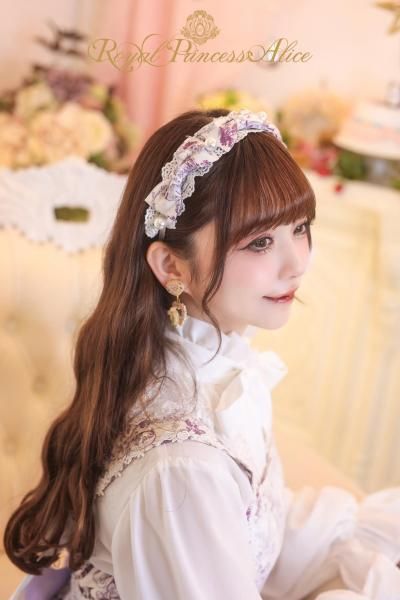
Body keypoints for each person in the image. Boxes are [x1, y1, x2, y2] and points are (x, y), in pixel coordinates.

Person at [4, 108, 400, 600]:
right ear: (172, 265)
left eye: (300, 227)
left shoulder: (213, 368)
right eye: (260, 242)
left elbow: (259, 525)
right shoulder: (181, 469)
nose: (296, 263)